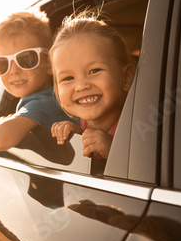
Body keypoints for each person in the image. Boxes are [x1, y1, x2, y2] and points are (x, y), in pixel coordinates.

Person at [0, 10, 78, 151]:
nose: (13, 70)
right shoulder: (50, 98)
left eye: (26, 59)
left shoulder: (44, 102)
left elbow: (1, 139)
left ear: (49, 63)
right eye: (2, 63)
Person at [50, 12, 136, 161]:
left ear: (126, 77)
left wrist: (113, 152)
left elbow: (144, 171)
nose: (81, 86)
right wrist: (76, 135)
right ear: (57, 90)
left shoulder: (139, 127)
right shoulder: (83, 122)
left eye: (94, 71)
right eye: (68, 78)